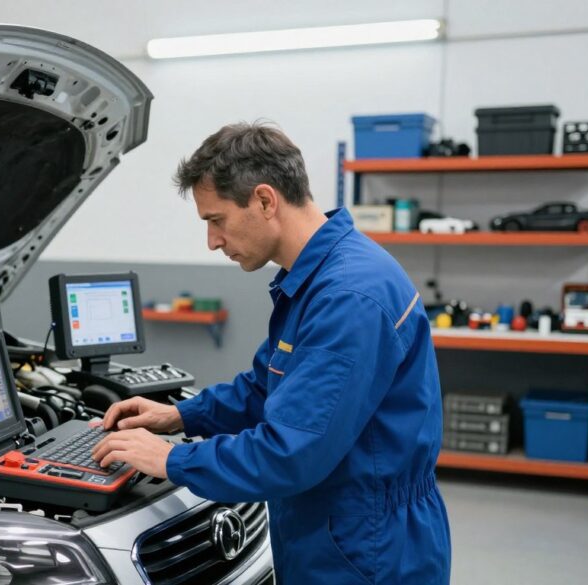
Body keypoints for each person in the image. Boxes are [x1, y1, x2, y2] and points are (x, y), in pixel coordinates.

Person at [91, 122, 451, 584]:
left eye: (215, 220)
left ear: (264, 200)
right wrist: (179, 416)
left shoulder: (347, 297)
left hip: (367, 547)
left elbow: (291, 453)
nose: (212, 241)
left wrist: (169, 459)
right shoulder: (319, 277)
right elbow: (265, 388)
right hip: (336, 528)